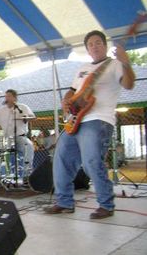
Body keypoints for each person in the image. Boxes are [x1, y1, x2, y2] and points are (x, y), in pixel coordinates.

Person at [44, 31, 135, 219]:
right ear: (87, 49)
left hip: (99, 119)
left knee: (91, 162)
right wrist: (66, 102)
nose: (95, 46)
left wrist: (126, 62)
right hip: (75, 120)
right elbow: (72, 92)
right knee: (61, 159)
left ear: (105, 46)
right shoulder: (82, 69)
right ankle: (64, 202)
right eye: (91, 44)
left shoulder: (115, 65)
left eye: (99, 42)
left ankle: (106, 205)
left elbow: (129, 84)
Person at [0, 89, 35, 185]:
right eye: (6, 96)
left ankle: (26, 177)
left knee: (28, 147)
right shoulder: (2, 110)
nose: (7, 98)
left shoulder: (22, 107)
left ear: (14, 97)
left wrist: (25, 118)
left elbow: (32, 117)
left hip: (20, 136)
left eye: (9, 96)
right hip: (6, 137)